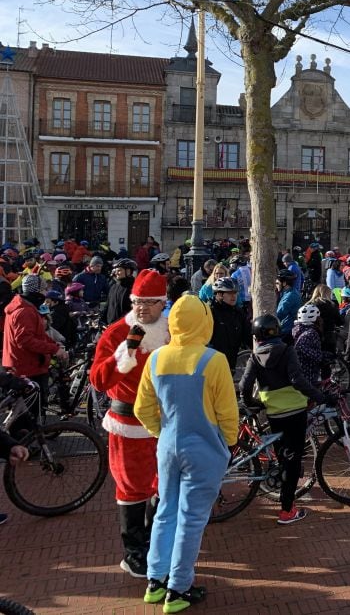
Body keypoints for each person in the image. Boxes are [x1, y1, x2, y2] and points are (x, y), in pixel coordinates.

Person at [134, 295, 238, 611]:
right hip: (204, 449)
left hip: (168, 447)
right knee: (191, 519)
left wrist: (161, 432)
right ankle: (178, 589)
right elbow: (227, 413)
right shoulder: (214, 360)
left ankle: (156, 580)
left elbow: (142, 408)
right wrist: (228, 443)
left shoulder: (155, 359)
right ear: (203, 322)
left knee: (166, 511)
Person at [88, 269, 171, 577]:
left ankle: (153, 541)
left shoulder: (170, 333)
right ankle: (134, 552)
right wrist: (123, 356)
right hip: (128, 425)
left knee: (162, 485)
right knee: (131, 487)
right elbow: (97, 379)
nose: (142, 308)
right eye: (138, 301)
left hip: (165, 424)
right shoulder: (115, 334)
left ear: (163, 304)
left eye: (150, 302)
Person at [239, 313, 330, 526]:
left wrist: (253, 403)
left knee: (283, 456)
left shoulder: (254, 357)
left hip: (273, 412)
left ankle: (283, 493)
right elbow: (297, 380)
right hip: (295, 411)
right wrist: (319, 396)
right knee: (293, 461)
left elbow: (244, 386)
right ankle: (287, 510)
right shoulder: (288, 351)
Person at [2, 274, 67, 422]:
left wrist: (54, 345)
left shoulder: (26, 307)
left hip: (25, 364)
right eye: (44, 288)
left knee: (27, 411)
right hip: (28, 367)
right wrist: (54, 349)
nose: (46, 293)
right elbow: (25, 340)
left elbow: (38, 335)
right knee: (29, 413)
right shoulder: (25, 311)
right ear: (36, 291)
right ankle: (26, 442)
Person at [207, 277, 250, 373]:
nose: (234, 296)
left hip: (232, 363)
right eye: (229, 293)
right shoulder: (210, 311)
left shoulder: (239, 313)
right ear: (219, 294)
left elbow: (247, 336)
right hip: (212, 363)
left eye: (235, 293)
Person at [291, 304, 324, 386]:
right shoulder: (311, 333)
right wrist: (320, 356)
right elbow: (301, 347)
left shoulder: (299, 329)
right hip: (308, 369)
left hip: (301, 367)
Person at [105, 258, 137, 325]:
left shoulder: (134, 287)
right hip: (110, 326)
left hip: (125, 326)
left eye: (119, 270)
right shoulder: (113, 287)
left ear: (128, 271)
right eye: (115, 270)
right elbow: (107, 306)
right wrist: (102, 319)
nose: (116, 273)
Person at [275, 268, 302, 341]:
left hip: (287, 331)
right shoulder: (289, 292)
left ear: (284, 283)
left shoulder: (289, 296)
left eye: (277, 283)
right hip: (288, 328)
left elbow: (279, 313)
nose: (276, 286)